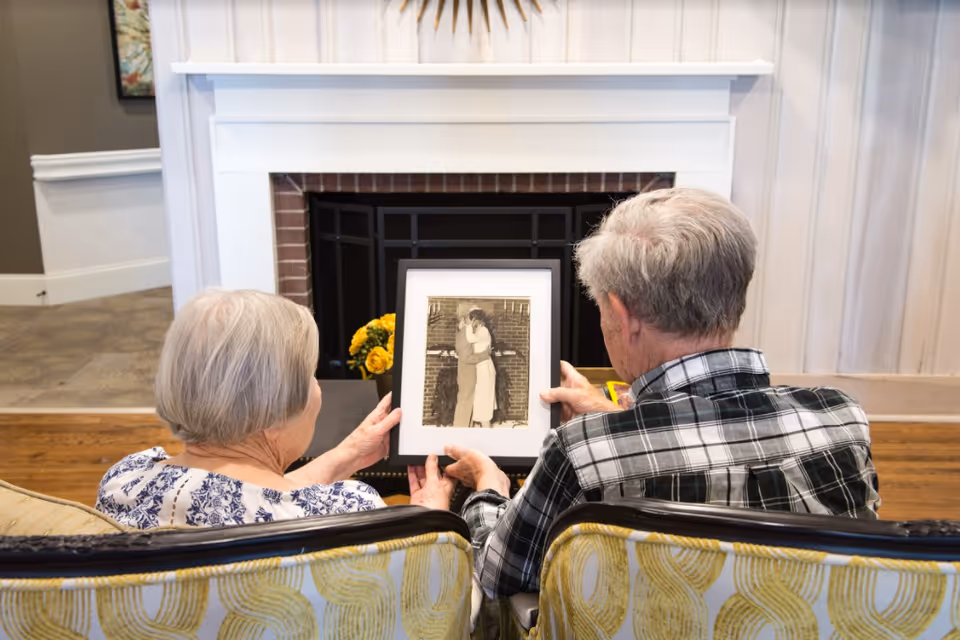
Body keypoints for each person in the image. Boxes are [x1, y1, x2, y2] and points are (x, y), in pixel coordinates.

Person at [438, 187, 880, 597]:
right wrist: (613, 415)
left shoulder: (582, 451)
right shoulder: (842, 417)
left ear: (622, 314)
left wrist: (488, 490)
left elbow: (497, 576)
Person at [96, 289, 452, 529]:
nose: (318, 387)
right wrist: (431, 521)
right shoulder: (348, 513)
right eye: (312, 375)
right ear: (277, 414)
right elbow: (433, 604)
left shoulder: (124, 482)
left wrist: (345, 456)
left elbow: (241, 496)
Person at [464, 309, 497, 428]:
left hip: (485, 368)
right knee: (480, 400)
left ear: (475, 319)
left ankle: (486, 427)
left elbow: (470, 339)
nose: (468, 321)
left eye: (469, 319)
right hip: (481, 367)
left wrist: (468, 326)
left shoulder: (483, 330)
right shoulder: (479, 330)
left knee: (484, 401)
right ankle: (482, 425)